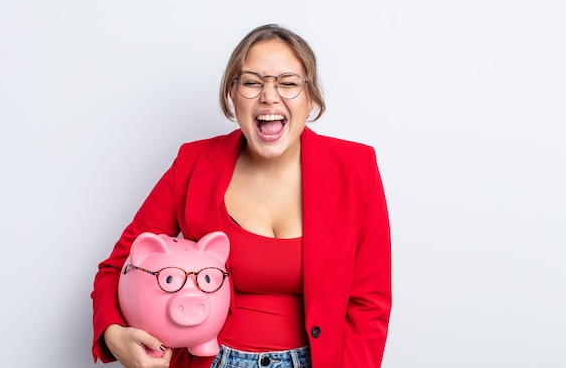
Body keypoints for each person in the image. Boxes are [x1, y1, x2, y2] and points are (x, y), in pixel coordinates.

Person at [91, 23, 391, 368]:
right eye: (251, 82)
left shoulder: (356, 168)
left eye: (288, 83)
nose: (269, 95)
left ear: (311, 100)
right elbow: (119, 266)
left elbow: (370, 305)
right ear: (232, 95)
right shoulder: (194, 163)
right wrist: (114, 335)